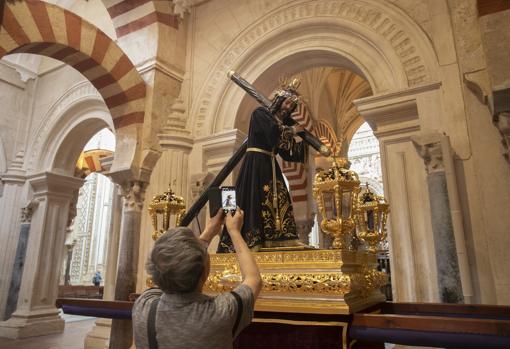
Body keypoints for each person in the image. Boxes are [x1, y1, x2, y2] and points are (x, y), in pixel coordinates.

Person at [132, 209, 262, 349]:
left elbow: (167, 269)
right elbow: (253, 279)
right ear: (204, 274)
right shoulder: (220, 312)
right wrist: (234, 231)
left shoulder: (144, 305)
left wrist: (208, 232)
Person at [217, 79, 307, 252]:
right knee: (254, 197)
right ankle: (251, 240)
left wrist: (301, 140)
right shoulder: (260, 113)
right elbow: (271, 134)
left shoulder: (283, 124)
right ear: (279, 101)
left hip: (270, 163)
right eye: (287, 102)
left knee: (279, 197)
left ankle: (279, 238)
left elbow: (287, 152)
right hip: (256, 163)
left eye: (292, 105)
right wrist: (292, 130)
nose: (288, 107)